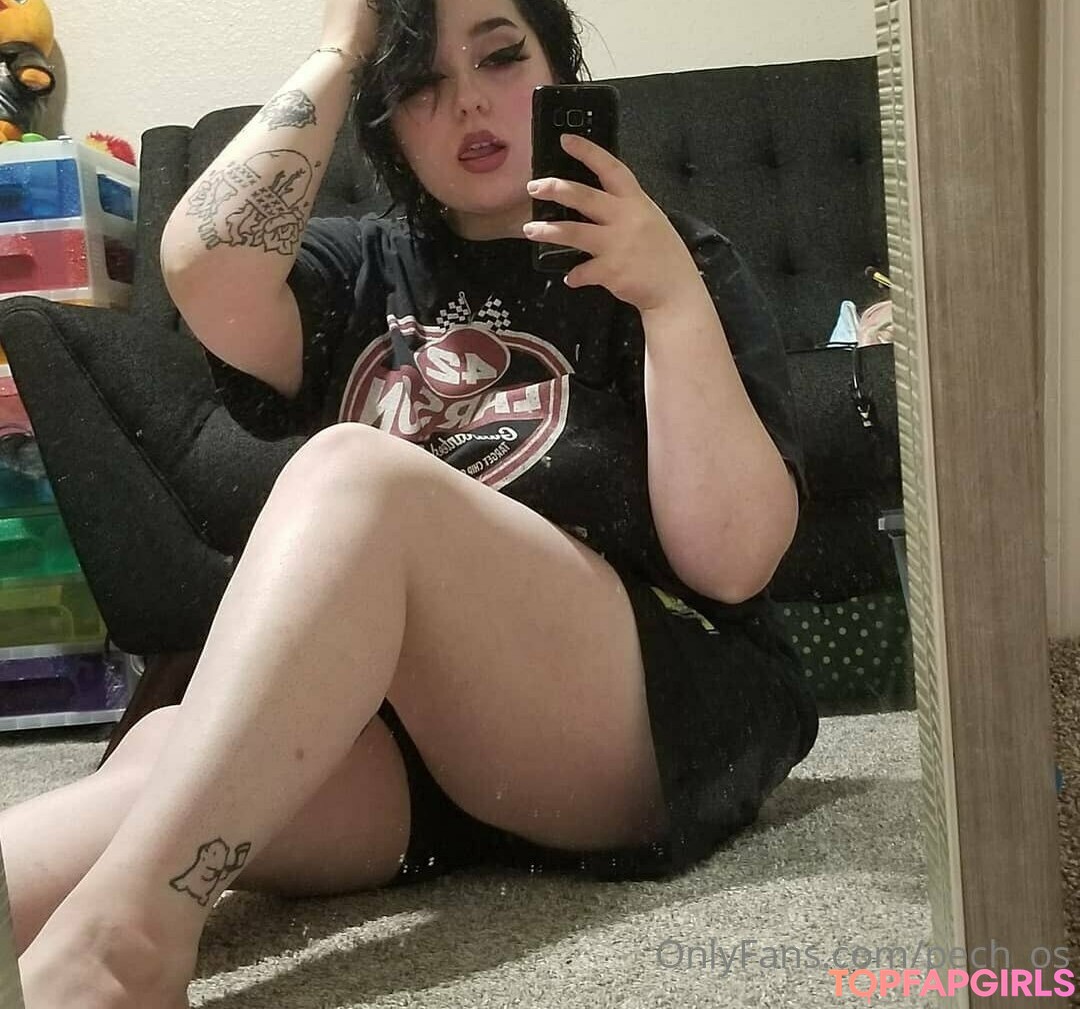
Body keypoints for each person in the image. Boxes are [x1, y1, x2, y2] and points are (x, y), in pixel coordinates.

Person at [5, 0, 819, 1004]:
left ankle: (125, 943)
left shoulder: (670, 261)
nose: (467, 99)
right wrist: (343, 46)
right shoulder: (363, 267)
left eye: (501, 56)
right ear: (386, 120)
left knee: (360, 478)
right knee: (171, 761)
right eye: (421, 82)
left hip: (640, 718)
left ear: (559, 69)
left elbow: (733, 563)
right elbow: (203, 268)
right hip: (415, 761)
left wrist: (669, 297)